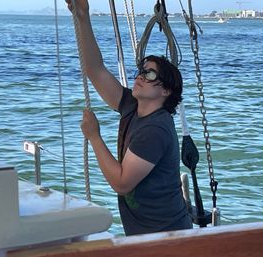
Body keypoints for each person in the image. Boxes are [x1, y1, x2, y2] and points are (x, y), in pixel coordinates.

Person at [66, 0, 192, 236]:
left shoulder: (156, 129)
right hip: (144, 235)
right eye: (141, 71)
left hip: (168, 238)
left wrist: (94, 136)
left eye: (150, 73)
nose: (141, 76)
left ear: (166, 90)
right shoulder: (132, 106)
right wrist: (82, 16)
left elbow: (122, 183)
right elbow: (94, 69)